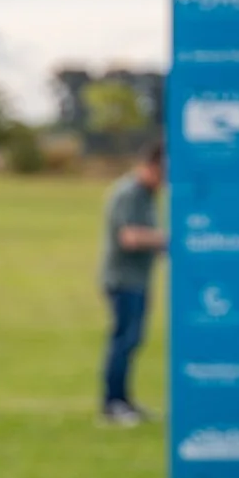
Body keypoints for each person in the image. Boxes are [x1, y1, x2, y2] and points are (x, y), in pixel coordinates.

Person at [99, 142, 165, 425]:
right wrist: (168, 240)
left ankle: (123, 400)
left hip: (138, 279)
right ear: (151, 166)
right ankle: (113, 403)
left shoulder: (148, 195)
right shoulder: (129, 193)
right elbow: (130, 237)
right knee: (123, 340)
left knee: (133, 340)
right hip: (123, 279)